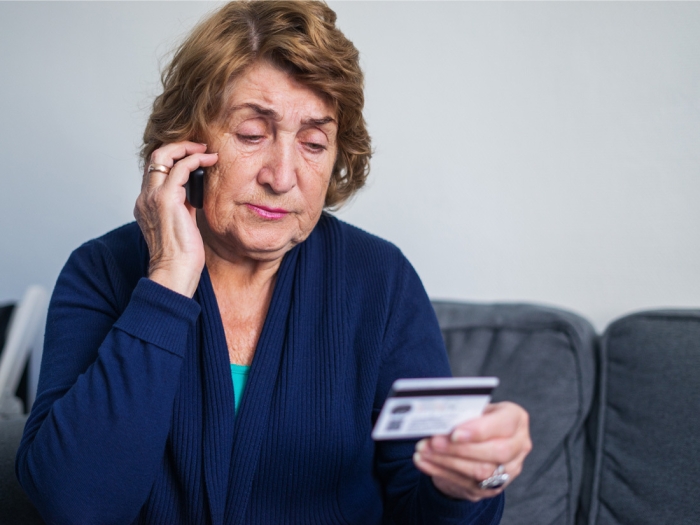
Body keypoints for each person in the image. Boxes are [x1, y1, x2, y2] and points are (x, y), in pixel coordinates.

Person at [16, 2, 531, 524]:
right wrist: (168, 280)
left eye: (312, 143)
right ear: (187, 142)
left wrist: (468, 483)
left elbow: (426, 507)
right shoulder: (101, 271)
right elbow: (75, 504)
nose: (282, 177)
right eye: (251, 134)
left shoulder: (381, 281)